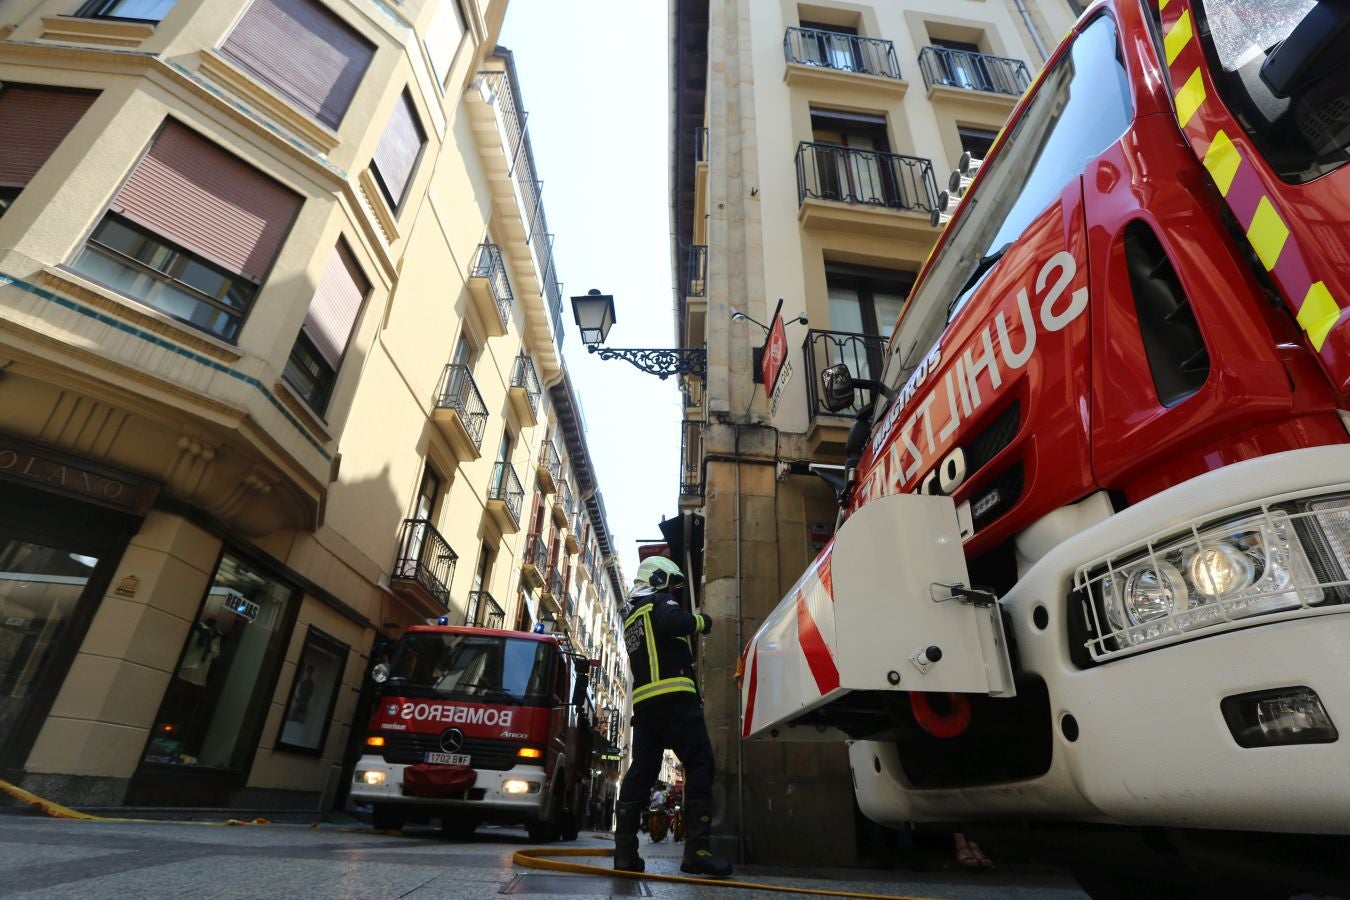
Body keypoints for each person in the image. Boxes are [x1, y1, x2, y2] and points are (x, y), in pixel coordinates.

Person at [613, 557, 733, 878]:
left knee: (641, 772)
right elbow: (676, 621)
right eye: (669, 583)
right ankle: (698, 852)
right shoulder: (659, 602)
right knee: (700, 762)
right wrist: (703, 621)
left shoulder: (632, 619)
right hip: (676, 701)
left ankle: (624, 854)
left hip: (646, 709)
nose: (672, 590)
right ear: (657, 579)